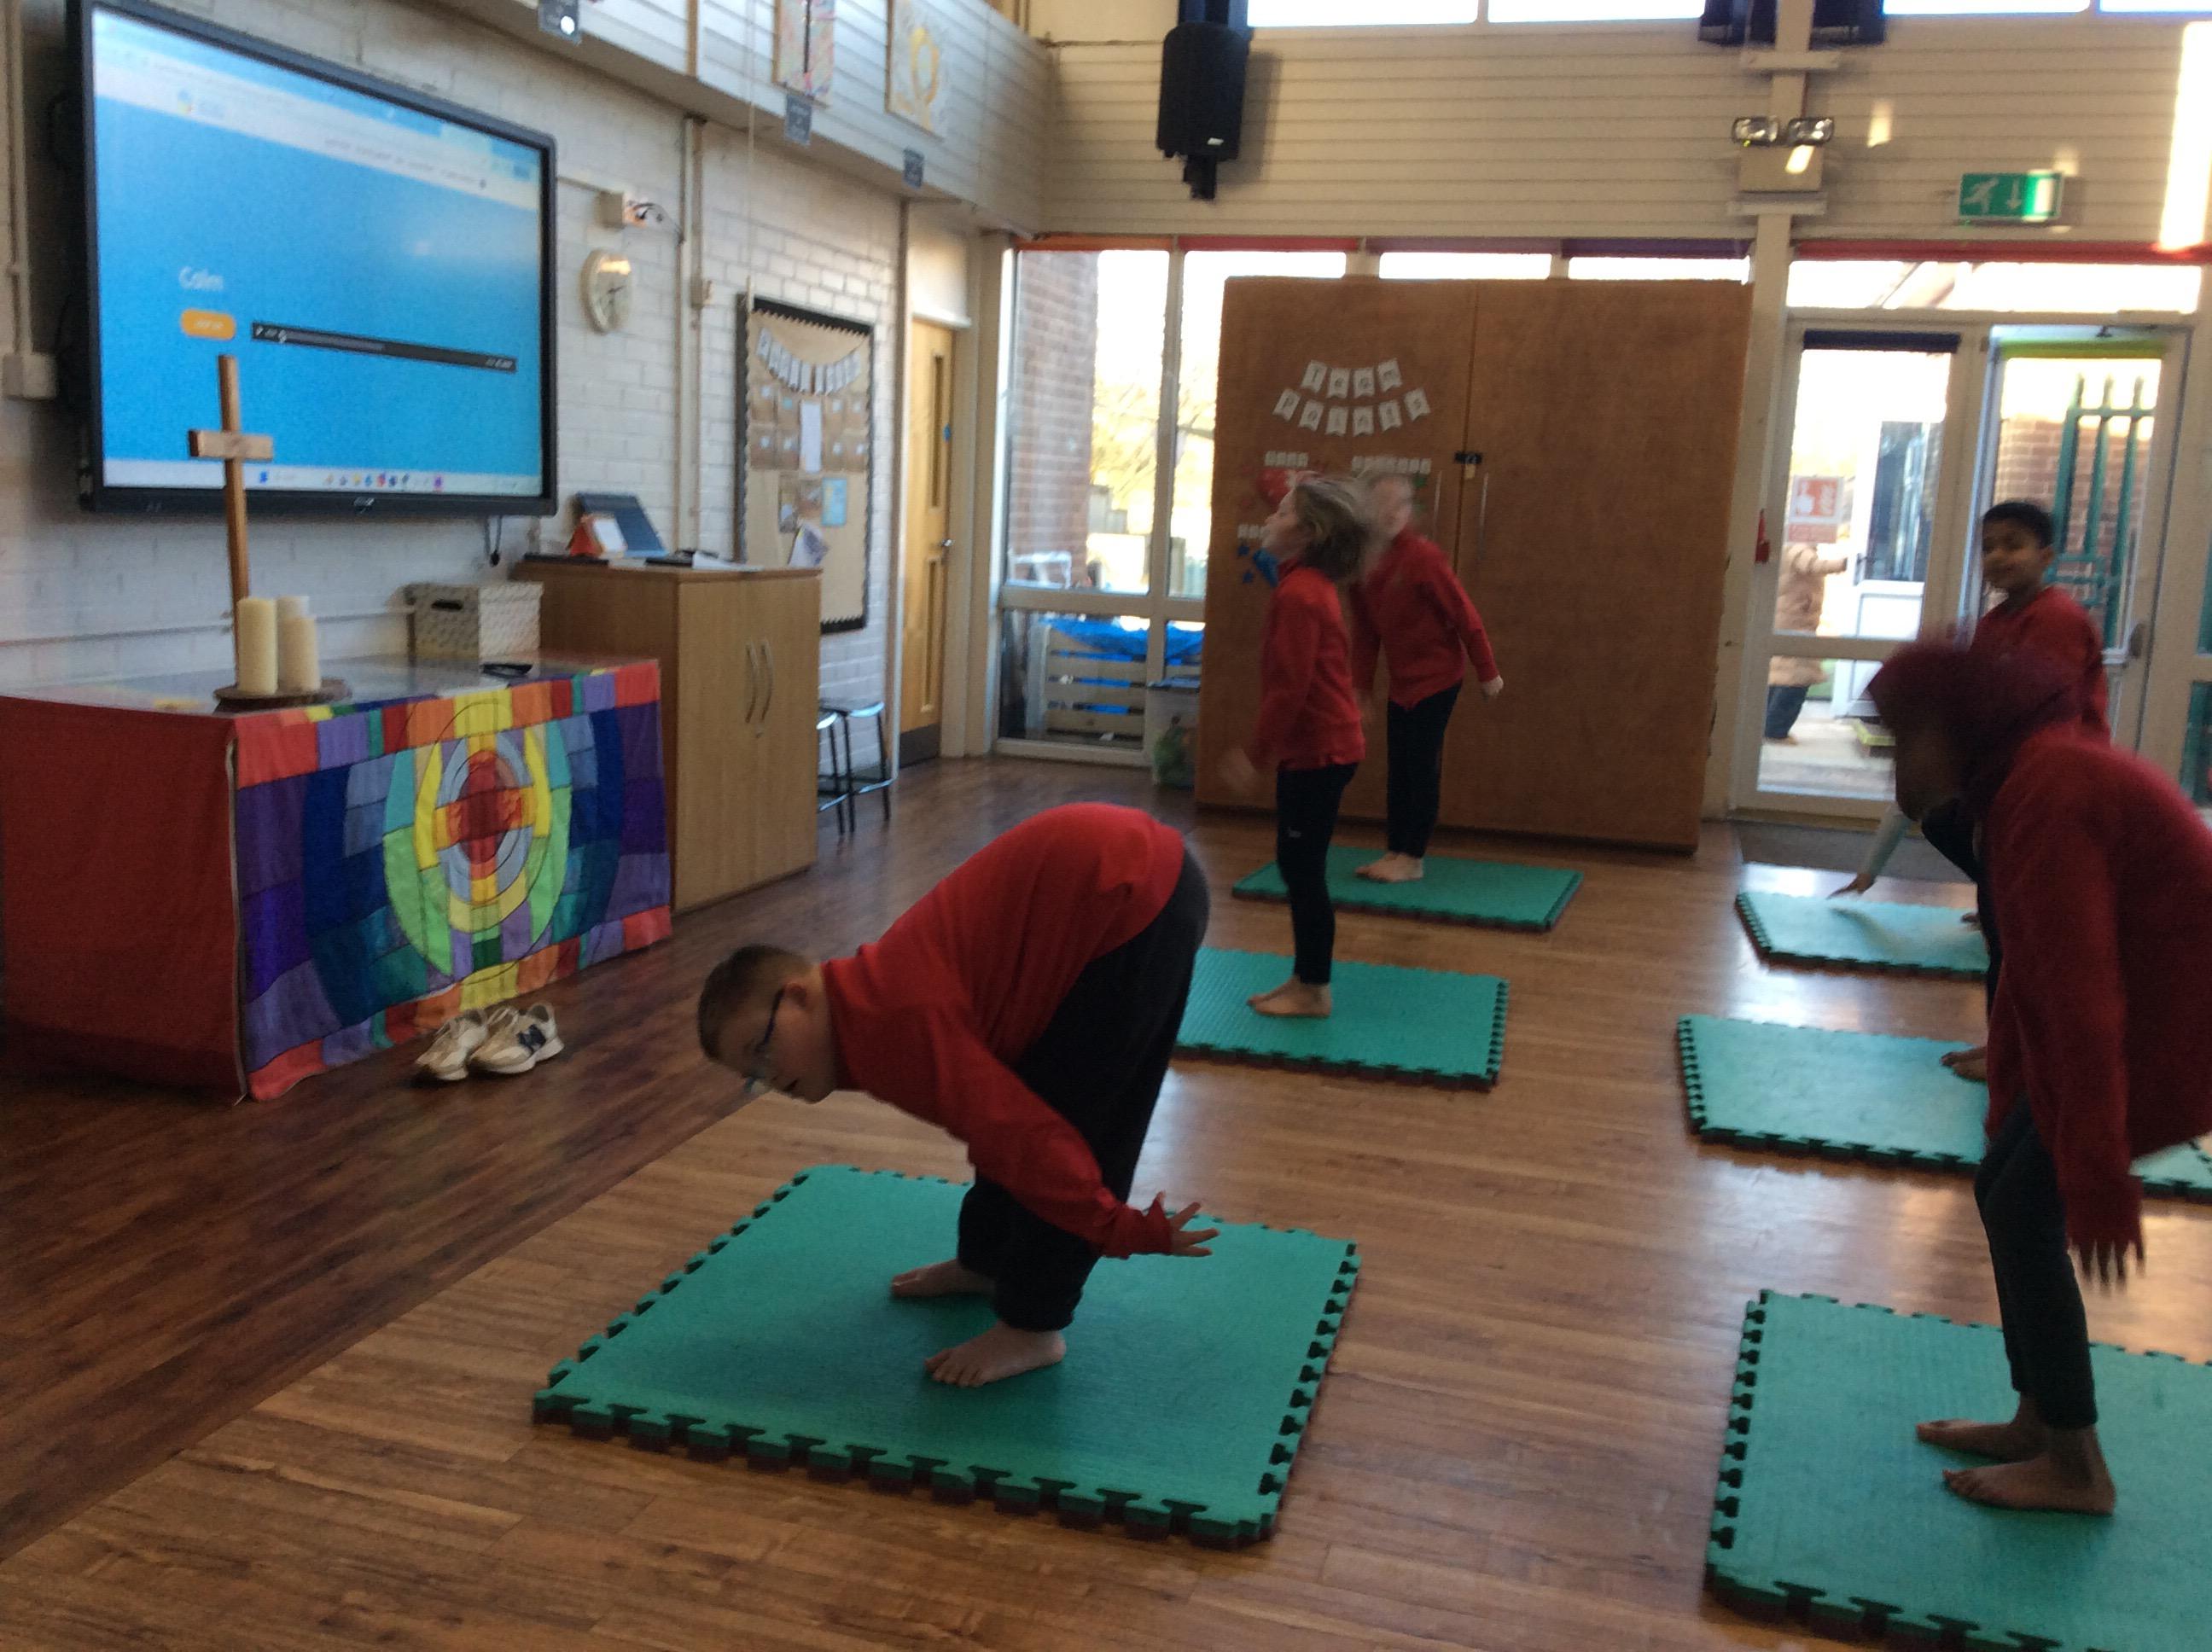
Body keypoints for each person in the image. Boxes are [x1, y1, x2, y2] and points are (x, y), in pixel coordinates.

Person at [695, 803, 1218, 1388]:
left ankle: (1034, 1326)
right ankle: (986, 1264)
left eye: (762, 1048)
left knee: (1074, 1116)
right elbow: (987, 1120)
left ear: (798, 997)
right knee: (1002, 1104)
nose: (768, 1077)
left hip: (1136, 900)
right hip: (1107, 881)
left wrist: (1119, 1227)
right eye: (752, 1073)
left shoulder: (893, 1024)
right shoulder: (867, 1018)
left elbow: (1024, 1138)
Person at [1867, 640, 2212, 1515]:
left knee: (2026, 1207)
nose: (1896, 765)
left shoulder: (2046, 793)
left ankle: (2077, 1467)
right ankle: (2040, 1421)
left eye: (1907, 739)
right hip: (2142, 1005)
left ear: (1961, 728)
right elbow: (2029, 969)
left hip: (2172, 1021)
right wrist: (2010, 1098)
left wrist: (2098, 1178)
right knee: (2004, 1187)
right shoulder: (2014, 785)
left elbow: (2081, 1002)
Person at [1835, 501, 2108, 1083]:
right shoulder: (1996, 621)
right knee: (1999, 920)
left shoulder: (2055, 619)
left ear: (2046, 556)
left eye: (2013, 544)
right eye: (1988, 546)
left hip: (2053, 792)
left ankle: (2019, 1056)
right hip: (2012, 789)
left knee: (2022, 938)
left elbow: (2041, 713)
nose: (1998, 557)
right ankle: (2006, 1046)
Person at [1218, 475, 1370, 1018]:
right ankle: (1306, 977)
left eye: (1281, 513)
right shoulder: (1301, 584)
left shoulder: (1301, 595)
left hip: (1320, 753)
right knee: (1297, 865)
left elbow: (1289, 690)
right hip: (1319, 749)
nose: (1269, 518)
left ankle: (1315, 989)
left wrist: (1255, 756)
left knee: (1302, 870)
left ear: (1307, 534)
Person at [1347, 474, 1504, 885]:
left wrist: (1487, 670)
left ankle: (1413, 857)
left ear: (1409, 511)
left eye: (1399, 505)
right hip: (1403, 682)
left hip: (1438, 677)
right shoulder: (1364, 562)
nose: (1390, 513)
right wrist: (1361, 687)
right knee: (1399, 766)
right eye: (1381, 505)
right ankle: (1396, 849)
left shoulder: (1423, 557)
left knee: (1419, 766)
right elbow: (1365, 634)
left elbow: (1464, 614)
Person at [1764, 542, 1851, 742]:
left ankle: (1769, 727)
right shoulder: (1799, 550)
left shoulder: (1788, 549)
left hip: (1789, 622)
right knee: (1797, 680)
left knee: (1780, 678)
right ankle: (1776, 731)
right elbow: (1814, 565)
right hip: (1795, 624)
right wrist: (1846, 564)